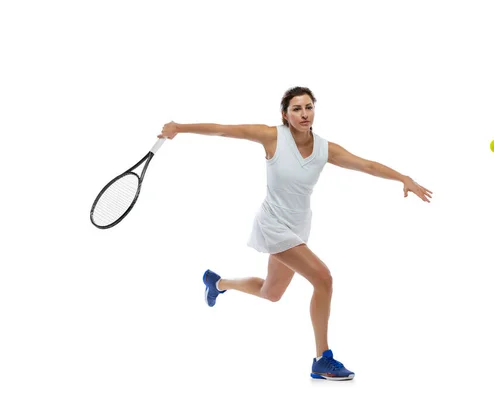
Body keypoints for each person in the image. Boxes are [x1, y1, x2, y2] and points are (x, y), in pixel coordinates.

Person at [158, 86, 433, 380]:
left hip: (299, 227)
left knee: (271, 293)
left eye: (308, 107)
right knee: (324, 279)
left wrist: (402, 177)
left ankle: (218, 283)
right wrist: (180, 128)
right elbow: (224, 130)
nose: (304, 114)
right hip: (273, 225)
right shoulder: (272, 137)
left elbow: (366, 164)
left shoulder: (325, 149)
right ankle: (322, 358)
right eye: (297, 109)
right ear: (285, 114)